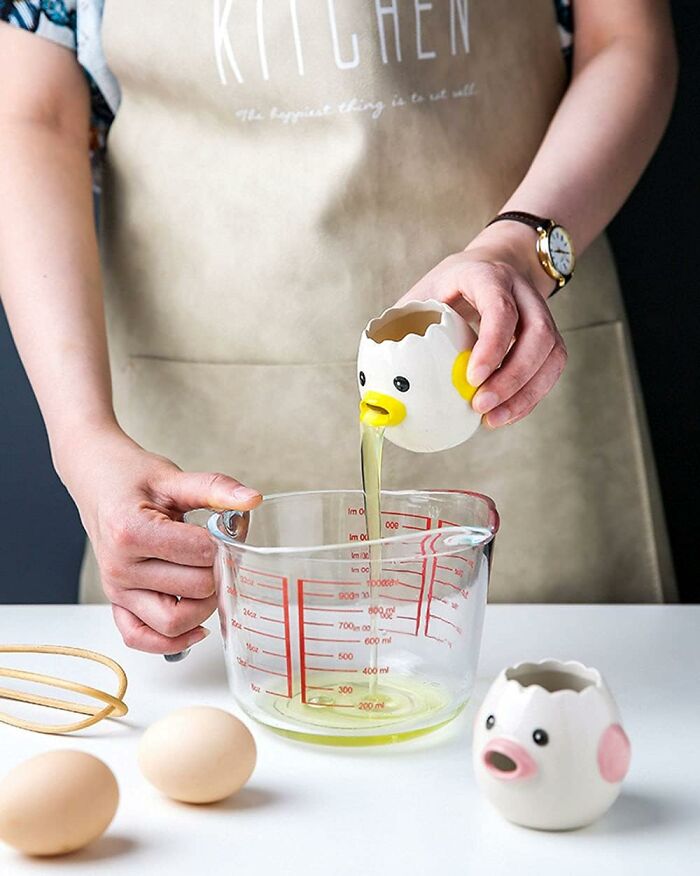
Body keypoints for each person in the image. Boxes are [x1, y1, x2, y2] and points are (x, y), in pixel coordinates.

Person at [0, 1, 678, 654]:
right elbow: (29, 118)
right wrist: (83, 439)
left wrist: (520, 251)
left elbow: (625, 37)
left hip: (516, 377)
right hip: (196, 414)